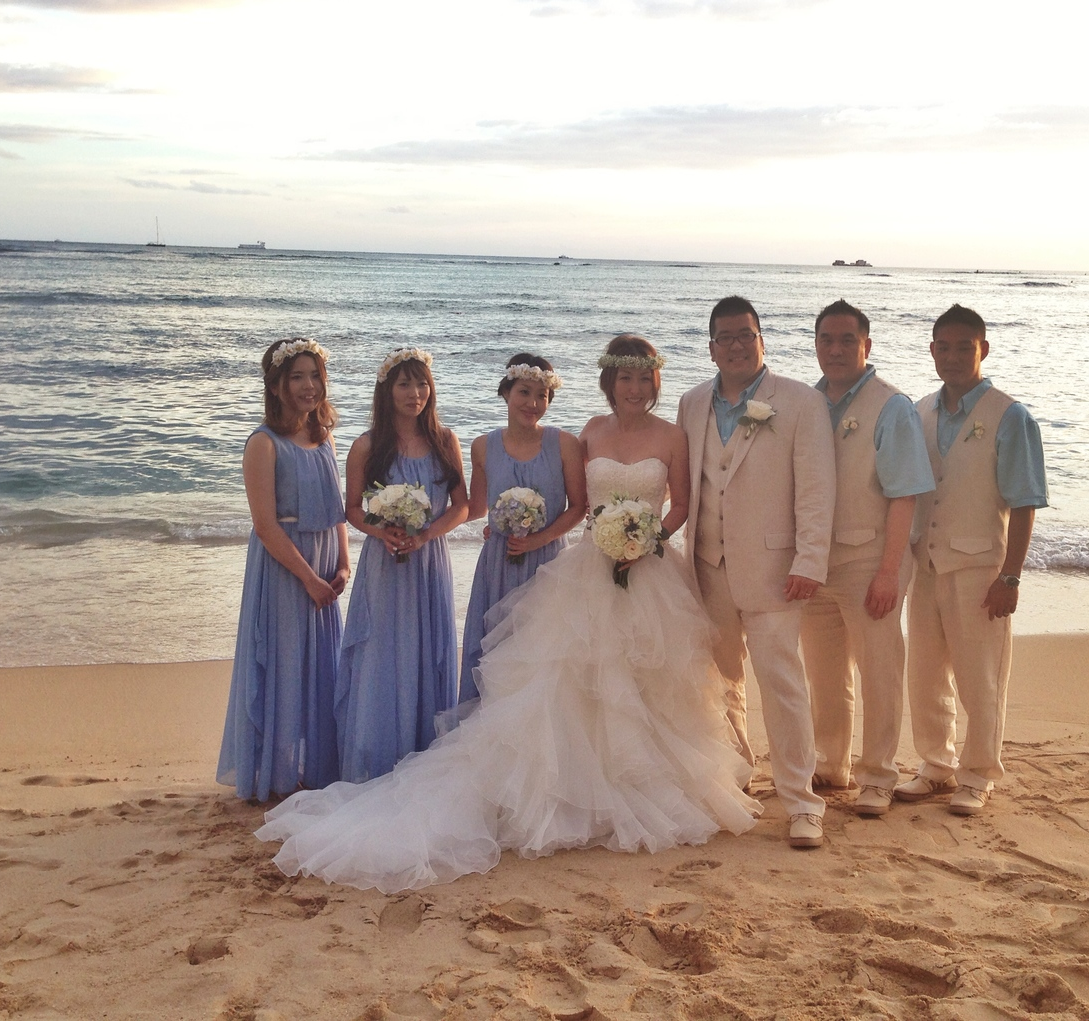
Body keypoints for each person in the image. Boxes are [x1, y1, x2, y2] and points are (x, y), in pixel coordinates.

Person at [255, 335, 759, 893]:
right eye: (625, 379)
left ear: (654, 383)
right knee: (568, 679)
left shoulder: (653, 437)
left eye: (644, 379)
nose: (634, 389)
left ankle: (654, 778)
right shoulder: (586, 433)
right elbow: (526, 505)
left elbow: (677, 503)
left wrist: (645, 540)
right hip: (587, 570)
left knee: (650, 680)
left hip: (648, 568)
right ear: (609, 384)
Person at [677, 297, 836, 849]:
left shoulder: (797, 401)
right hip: (706, 564)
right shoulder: (691, 403)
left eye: (747, 334)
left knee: (783, 684)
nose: (738, 345)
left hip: (776, 569)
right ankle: (739, 782)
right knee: (723, 684)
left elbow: (817, 490)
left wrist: (810, 561)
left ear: (761, 338)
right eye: (727, 337)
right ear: (712, 347)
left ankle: (801, 802)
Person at [897, 304, 1048, 816]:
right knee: (924, 672)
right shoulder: (918, 412)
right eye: (945, 346)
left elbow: (1025, 502)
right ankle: (935, 766)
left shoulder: (1010, 415)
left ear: (984, 349)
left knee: (981, 676)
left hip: (982, 566)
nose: (955, 356)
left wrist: (1011, 575)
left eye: (966, 346)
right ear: (932, 351)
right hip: (926, 564)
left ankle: (979, 773)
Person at [801, 300, 935, 817]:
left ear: (866, 346)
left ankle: (878, 774)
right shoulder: (806, 403)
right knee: (824, 670)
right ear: (815, 345)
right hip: (816, 560)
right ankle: (830, 763)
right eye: (826, 340)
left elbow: (905, 495)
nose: (835, 350)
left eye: (846, 340)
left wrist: (888, 573)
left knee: (879, 668)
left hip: (871, 558)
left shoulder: (890, 406)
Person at [218, 338, 350, 801]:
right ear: (276, 385)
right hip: (284, 569)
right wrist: (308, 578)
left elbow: (336, 512)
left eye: (315, 375)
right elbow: (265, 525)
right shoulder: (263, 443)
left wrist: (344, 565)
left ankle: (312, 767)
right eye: (297, 377)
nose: (309, 386)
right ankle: (274, 773)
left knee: (321, 668)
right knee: (284, 664)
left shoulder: (324, 436)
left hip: (324, 565)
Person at [336, 347, 468, 783]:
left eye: (422, 383)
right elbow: (352, 509)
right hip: (386, 563)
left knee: (430, 652)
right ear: (387, 389)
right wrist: (382, 531)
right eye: (405, 384)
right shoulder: (368, 445)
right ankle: (377, 759)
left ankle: (426, 759)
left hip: (429, 560)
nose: (416, 393)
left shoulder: (445, 441)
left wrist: (428, 534)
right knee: (384, 654)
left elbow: (463, 506)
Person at [459, 354, 587, 701]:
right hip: (497, 564)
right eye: (524, 392)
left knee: (540, 653)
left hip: (546, 562)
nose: (533, 403)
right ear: (506, 392)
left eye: (542, 396)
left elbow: (579, 506)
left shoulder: (564, 444)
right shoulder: (483, 446)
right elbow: (477, 506)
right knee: (494, 648)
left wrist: (539, 539)